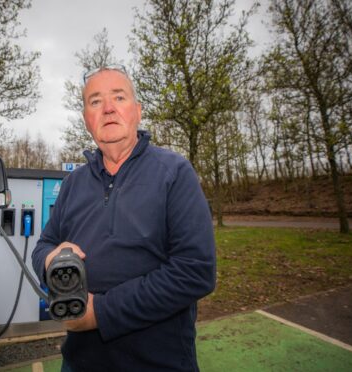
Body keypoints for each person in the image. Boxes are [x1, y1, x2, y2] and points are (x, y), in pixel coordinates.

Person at [32, 65, 216, 372]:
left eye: (119, 97)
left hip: (160, 363)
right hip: (80, 362)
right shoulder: (73, 183)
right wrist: (49, 260)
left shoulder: (174, 172)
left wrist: (100, 313)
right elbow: (44, 245)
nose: (107, 109)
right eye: (95, 101)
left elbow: (195, 271)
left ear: (137, 111)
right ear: (86, 119)